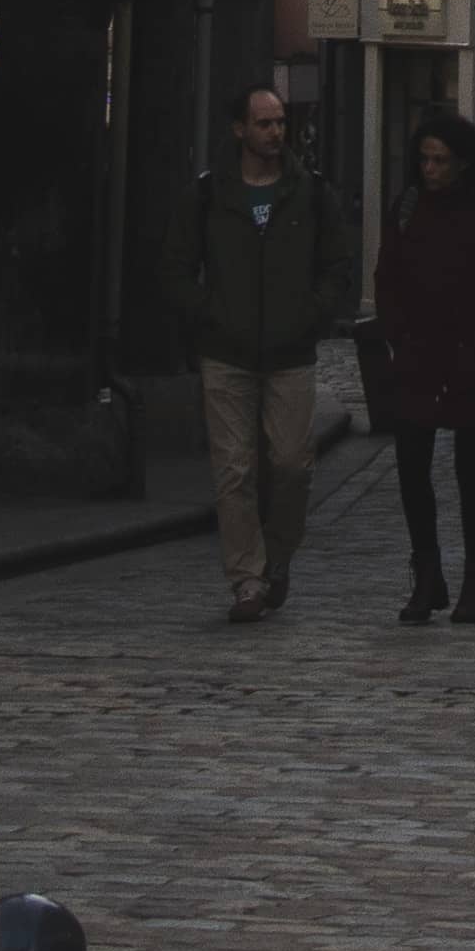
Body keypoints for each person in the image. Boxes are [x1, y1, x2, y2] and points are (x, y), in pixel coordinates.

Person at [165, 81, 353, 623]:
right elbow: (176, 268)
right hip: (226, 352)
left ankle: (277, 559)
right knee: (234, 471)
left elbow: (336, 267)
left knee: (292, 465)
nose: (276, 132)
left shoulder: (310, 193)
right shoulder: (208, 194)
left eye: (279, 123)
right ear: (240, 129)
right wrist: (209, 313)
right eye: (264, 123)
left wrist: (310, 315)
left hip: (291, 352)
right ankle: (247, 578)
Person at [365, 111, 475, 624]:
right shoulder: (408, 208)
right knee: (413, 470)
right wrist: (397, 334)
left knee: (471, 472)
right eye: (425, 159)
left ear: (462, 164)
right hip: (417, 357)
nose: (431, 169)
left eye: (440, 160)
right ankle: (427, 573)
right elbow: (386, 275)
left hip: (471, 360)